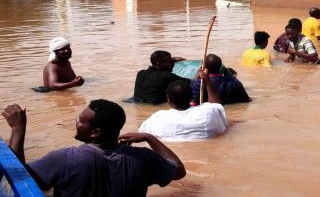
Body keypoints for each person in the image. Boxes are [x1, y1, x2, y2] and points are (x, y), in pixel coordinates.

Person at [1, 99, 185, 197]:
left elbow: (17, 181)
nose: (76, 122)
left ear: (95, 132)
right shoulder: (143, 158)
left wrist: (18, 130)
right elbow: (178, 171)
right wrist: (149, 138)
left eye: (80, 121)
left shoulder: (65, 159)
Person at [139, 74, 228, 141]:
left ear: (168, 99)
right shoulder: (207, 112)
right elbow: (217, 106)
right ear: (191, 97)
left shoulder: (157, 118)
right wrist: (207, 81)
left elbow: (142, 132)